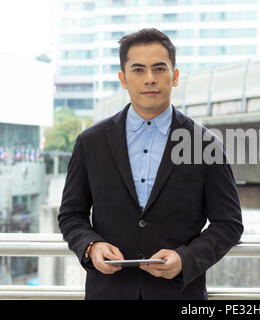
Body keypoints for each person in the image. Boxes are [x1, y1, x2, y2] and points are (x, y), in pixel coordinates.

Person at [58, 28, 244, 300]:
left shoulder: (205, 144)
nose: (149, 79)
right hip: (108, 293)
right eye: (138, 70)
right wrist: (91, 246)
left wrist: (185, 259)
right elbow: (71, 215)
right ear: (123, 79)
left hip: (179, 294)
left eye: (159, 68)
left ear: (175, 76)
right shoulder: (90, 142)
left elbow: (229, 223)